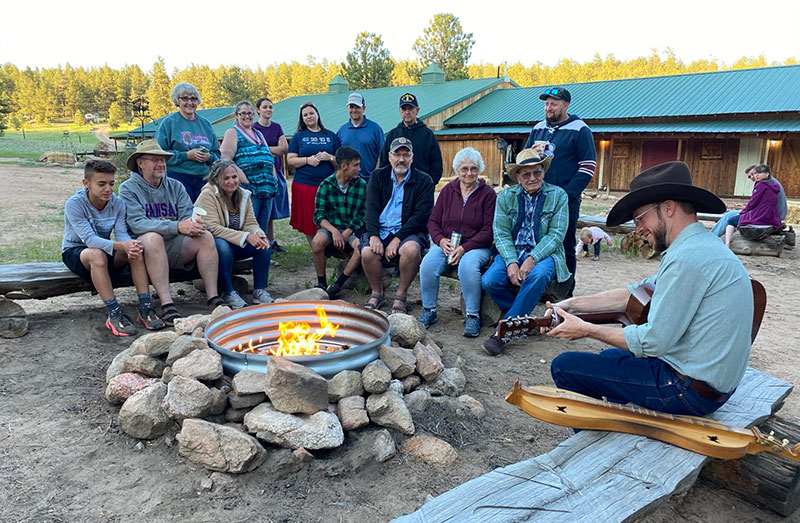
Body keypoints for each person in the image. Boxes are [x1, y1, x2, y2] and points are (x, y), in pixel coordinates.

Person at [546, 161, 752, 417]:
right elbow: (633, 293)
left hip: (686, 391)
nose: (638, 229)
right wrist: (571, 304)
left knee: (565, 366)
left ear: (668, 208)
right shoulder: (703, 246)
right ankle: (620, 424)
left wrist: (587, 329)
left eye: (640, 218)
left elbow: (652, 341)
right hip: (712, 385)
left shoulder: (687, 259)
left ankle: (599, 434)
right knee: (609, 358)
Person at [119, 139, 224, 326]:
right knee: (153, 238)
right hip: (144, 251)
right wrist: (176, 226)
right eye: (154, 160)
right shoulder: (128, 188)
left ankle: (213, 298)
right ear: (140, 163)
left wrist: (192, 225)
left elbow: (185, 216)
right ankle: (167, 304)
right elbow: (137, 224)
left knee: (205, 237)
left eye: (163, 160)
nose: (161, 164)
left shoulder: (175, 186)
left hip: (174, 245)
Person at [481, 144, 570, 356]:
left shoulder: (559, 195)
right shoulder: (505, 196)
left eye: (537, 172)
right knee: (489, 280)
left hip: (545, 253)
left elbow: (556, 235)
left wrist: (532, 258)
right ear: (518, 177)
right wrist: (511, 261)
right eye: (526, 174)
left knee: (537, 276)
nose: (532, 178)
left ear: (543, 172)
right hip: (512, 251)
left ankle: (502, 334)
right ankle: (522, 318)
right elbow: (500, 233)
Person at [62, 160, 164, 336]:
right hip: (77, 251)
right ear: (86, 183)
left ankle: (145, 307)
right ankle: (114, 312)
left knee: (135, 251)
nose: (108, 189)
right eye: (101, 184)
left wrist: (129, 245)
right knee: (97, 255)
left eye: (111, 183)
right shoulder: (75, 204)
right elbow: (89, 240)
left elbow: (121, 233)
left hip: (104, 249)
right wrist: (121, 245)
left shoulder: (117, 203)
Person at [524, 87, 596, 296]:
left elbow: (587, 167)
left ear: (566, 105)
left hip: (566, 200)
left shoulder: (580, 129)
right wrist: (530, 154)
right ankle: (541, 288)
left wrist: (565, 195)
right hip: (537, 197)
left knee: (565, 244)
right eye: (546, 104)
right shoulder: (538, 129)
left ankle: (565, 292)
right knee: (535, 241)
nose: (549, 108)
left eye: (554, 104)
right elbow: (523, 162)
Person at [418, 147, 496, 338]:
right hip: (448, 243)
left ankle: (472, 315)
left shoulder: (488, 194)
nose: (469, 173)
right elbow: (433, 221)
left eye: (473, 168)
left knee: (467, 266)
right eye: (464, 169)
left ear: (479, 169)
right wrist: (440, 240)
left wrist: (464, 248)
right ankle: (429, 310)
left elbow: (489, 231)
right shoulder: (448, 190)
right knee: (427, 264)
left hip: (476, 246)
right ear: (457, 170)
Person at [361, 137, 434, 314]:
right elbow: (370, 208)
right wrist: (373, 235)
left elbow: (421, 216)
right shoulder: (377, 177)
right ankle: (377, 293)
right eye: (397, 154)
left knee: (411, 250)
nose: (401, 159)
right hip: (380, 229)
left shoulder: (424, 180)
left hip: (408, 231)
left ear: (412, 157)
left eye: (406, 155)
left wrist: (398, 238)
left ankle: (400, 296)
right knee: (368, 251)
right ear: (389, 156)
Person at [196, 159, 274, 308]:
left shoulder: (243, 194)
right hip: (212, 244)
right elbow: (212, 228)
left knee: (265, 244)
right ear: (216, 179)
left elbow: (250, 223)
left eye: (234, 177)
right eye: (226, 178)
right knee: (222, 246)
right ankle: (228, 292)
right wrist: (246, 237)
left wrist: (257, 233)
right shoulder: (208, 195)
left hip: (236, 241)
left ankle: (260, 290)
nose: (231, 181)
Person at [311, 146, 367, 299]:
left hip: (352, 229)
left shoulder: (362, 185)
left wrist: (348, 231)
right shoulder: (326, 185)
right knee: (317, 242)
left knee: (360, 248)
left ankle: (338, 284)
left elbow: (363, 214)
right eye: (356, 165)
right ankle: (321, 282)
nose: (359, 169)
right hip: (331, 228)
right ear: (344, 166)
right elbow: (319, 215)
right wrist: (334, 231)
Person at [154, 82, 221, 202]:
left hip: (204, 179)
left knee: (204, 212)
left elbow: (217, 155)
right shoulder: (169, 123)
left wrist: (209, 157)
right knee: (184, 212)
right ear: (177, 100)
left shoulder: (205, 124)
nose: (190, 102)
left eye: (193, 99)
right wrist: (186, 155)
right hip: (177, 178)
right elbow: (158, 154)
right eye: (185, 98)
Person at [220, 101, 277, 237]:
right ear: (237, 115)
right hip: (249, 188)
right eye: (243, 113)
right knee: (249, 227)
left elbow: (268, 156)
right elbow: (225, 158)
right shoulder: (233, 132)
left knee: (262, 228)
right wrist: (244, 180)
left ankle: (262, 249)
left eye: (250, 113)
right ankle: (248, 250)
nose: (247, 116)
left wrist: (273, 178)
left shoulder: (258, 134)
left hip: (267, 189)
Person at [286, 102, 340, 243]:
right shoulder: (298, 136)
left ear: (317, 115)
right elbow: (290, 160)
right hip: (305, 184)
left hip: (328, 185)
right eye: (305, 115)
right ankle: (315, 248)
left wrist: (329, 157)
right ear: (302, 119)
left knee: (328, 218)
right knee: (309, 219)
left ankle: (328, 246)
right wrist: (307, 160)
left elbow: (340, 161)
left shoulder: (331, 135)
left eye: (311, 113)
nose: (309, 116)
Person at [379, 93, 443, 185]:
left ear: (417, 110)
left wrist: (429, 184)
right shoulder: (393, 135)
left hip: (421, 185)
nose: (407, 112)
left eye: (410, 109)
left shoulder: (427, 135)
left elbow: (436, 163)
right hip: (397, 186)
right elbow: (384, 162)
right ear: (400, 111)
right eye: (404, 109)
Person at [711, 164, 788, 240]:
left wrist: (743, 210)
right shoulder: (771, 182)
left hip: (768, 215)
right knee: (730, 213)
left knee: (729, 215)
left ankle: (712, 237)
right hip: (774, 214)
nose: (752, 177)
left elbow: (754, 204)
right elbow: (761, 202)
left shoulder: (763, 184)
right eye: (750, 176)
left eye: (754, 173)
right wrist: (743, 206)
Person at [253, 97, 290, 252]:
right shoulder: (253, 128)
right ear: (258, 110)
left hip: (276, 172)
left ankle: (271, 241)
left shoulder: (276, 127)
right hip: (260, 174)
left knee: (272, 209)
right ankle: (261, 241)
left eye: (270, 107)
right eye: (265, 107)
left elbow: (284, 149)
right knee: (261, 210)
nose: (268, 109)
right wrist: (273, 150)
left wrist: (265, 148)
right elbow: (254, 149)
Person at [336, 93, 384, 182]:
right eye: (351, 107)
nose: (354, 110)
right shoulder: (342, 130)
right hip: (347, 181)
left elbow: (382, 154)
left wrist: (375, 175)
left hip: (369, 180)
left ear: (364, 108)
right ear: (347, 108)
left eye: (357, 107)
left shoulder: (375, 129)